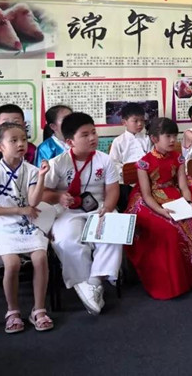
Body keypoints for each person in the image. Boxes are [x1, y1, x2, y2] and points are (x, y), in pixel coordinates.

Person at [125, 118, 192, 300]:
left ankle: (190, 274)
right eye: (168, 136)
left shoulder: (178, 157)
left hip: (174, 195)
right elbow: (146, 194)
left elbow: (183, 185)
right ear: (154, 138)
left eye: (174, 135)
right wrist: (161, 211)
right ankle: (169, 282)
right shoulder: (143, 163)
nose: (173, 140)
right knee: (168, 229)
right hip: (150, 201)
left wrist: (188, 202)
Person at [42, 112, 122, 315]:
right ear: (70, 142)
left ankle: (94, 281)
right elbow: (43, 193)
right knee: (66, 240)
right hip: (67, 211)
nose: (93, 138)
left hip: (99, 207)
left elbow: (113, 190)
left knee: (114, 229)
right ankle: (85, 283)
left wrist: (108, 208)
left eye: (93, 132)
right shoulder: (57, 163)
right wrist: (59, 196)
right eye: (85, 135)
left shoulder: (105, 160)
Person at [0, 123, 53, 333]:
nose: (21, 144)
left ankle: (39, 309)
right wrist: (19, 210)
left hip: (28, 224)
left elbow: (34, 201)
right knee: (12, 264)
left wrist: (41, 177)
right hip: (3, 227)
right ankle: (12, 311)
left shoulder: (31, 170)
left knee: (40, 258)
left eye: (23, 139)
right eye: (13, 140)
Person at [108, 103, 151, 211]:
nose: (140, 124)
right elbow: (113, 162)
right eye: (135, 121)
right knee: (124, 199)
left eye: (142, 120)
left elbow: (151, 157)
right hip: (126, 181)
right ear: (124, 122)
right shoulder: (118, 141)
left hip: (146, 177)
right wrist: (124, 172)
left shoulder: (147, 139)